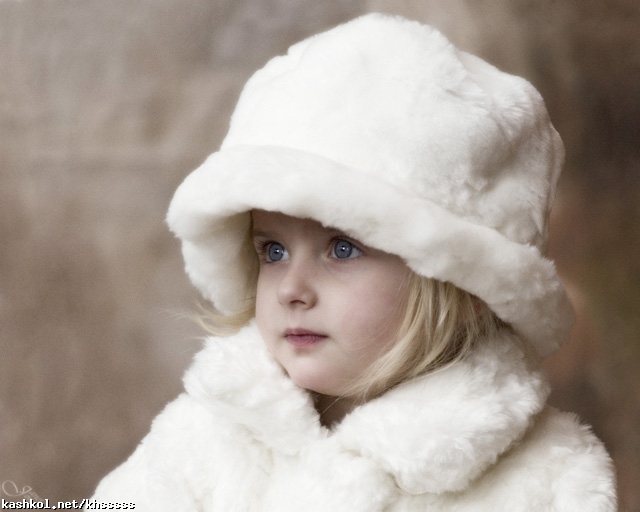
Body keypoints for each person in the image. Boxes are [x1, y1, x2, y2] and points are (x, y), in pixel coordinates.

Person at [89, 13, 617, 511]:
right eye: (273, 251)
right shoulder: (206, 439)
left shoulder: (550, 479)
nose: (291, 289)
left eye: (342, 249)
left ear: (465, 284)